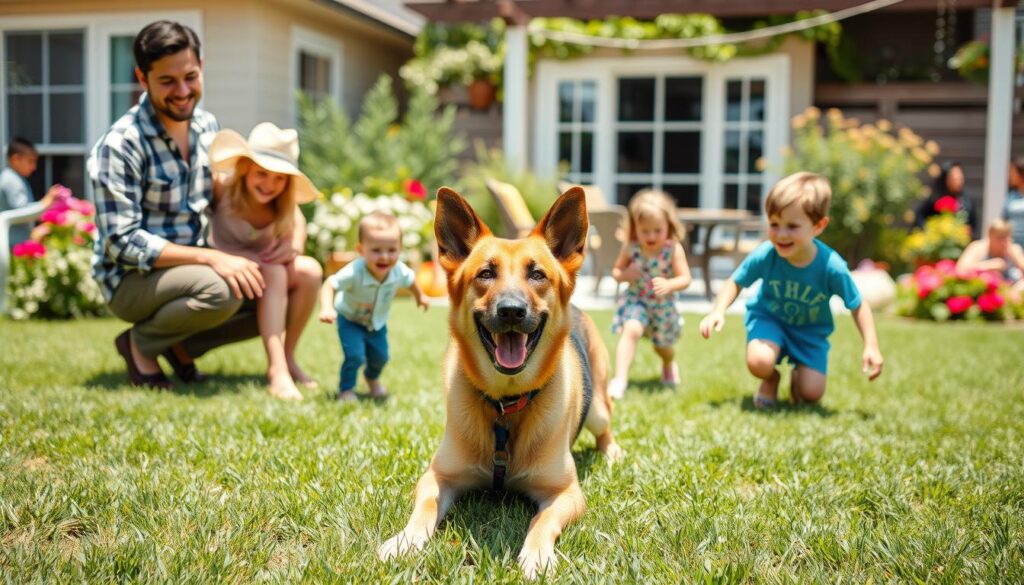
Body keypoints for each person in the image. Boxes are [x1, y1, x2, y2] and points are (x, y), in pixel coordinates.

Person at [90, 21, 318, 390]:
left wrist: (296, 231)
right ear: (142, 77)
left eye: (190, 77)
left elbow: (236, 191)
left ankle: (179, 346)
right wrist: (211, 257)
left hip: (192, 272)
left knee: (291, 276)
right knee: (224, 287)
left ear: (201, 67)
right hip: (130, 280)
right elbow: (122, 242)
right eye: (167, 81)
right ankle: (139, 345)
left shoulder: (205, 127)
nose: (182, 91)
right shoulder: (120, 146)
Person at [699, 172, 883, 409]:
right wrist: (718, 311)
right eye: (774, 224)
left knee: (812, 392)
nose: (781, 234)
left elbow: (857, 304)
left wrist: (871, 345)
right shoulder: (767, 254)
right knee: (759, 361)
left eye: (792, 226)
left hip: (809, 330)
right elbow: (736, 281)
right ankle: (771, 378)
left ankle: (799, 380)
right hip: (770, 319)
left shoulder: (831, 266)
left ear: (818, 226)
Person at [206, 123, 324, 400]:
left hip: (266, 272)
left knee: (310, 270)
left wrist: (294, 246)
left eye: (279, 178)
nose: (269, 185)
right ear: (246, 167)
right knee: (274, 272)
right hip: (227, 267)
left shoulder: (283, 204)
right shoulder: (222, 189)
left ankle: (287, 357)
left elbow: (299, 223)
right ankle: (277, 370)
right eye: (262, 174)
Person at [318, 211, 429, 401]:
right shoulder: (354, 271)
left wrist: (420, 296)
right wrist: (327, 307)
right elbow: (330, 284)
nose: (384, 257)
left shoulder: (398, 270)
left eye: (392, 250)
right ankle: (346, 389)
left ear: (400, 249)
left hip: (377, 323)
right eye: (376, 250)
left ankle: (372, 378)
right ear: (361, 250)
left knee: (381, 357)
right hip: (350, 319)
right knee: (355, 356)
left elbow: (410, 280)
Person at [606, 189, 693, 400]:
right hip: (637, 300)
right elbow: (616, 272)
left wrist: (670, 284)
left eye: (657, 230)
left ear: (668, 226)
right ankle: (620, 379)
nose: (651, 236)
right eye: (645, 231)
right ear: (635, 228)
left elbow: (686, 279)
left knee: (663, 346)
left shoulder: (672, 249)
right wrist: (626, 273)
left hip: (663, 306)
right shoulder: (631, 248)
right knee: (631, 330)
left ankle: (668, 363)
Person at [1, 137, 61, 247]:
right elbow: (22, 212)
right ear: (16, 159)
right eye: (30, 161)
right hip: (10, 247)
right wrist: (46, 201)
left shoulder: (17, 178)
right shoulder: (11, 180)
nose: (34, 167)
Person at [956, 219, 1024, 291]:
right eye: (1000, 237)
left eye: (1006, 237)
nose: (1003, 242)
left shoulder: (1014, 249)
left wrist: (1015, 257)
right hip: (985, 291)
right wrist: (990, 265)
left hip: (1012, 292)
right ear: (990, 236)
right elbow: (961, 269)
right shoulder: (978, 247)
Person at [915, 160, 977, 236]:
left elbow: (972, 223)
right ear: (946, 179)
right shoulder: (936, 198)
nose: (958, 180)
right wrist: (929, 231)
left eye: (960, 177)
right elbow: (920, 215)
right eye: (954, 177)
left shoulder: (967, 200)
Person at [1003, 157, 1024, 245]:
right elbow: (1004, 219)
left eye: (1012, 172)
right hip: (1012, 244)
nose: (1010, 175)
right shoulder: (1011, 196)